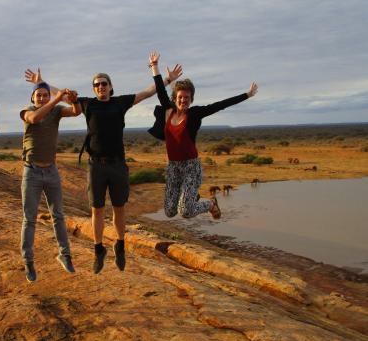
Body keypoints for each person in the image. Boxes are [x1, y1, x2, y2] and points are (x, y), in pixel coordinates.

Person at [25, 63, 181, 274]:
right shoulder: (89, 104)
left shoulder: (120, 102)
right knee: (96, 209)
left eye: (104, 83)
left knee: (119, 208)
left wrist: (167, 80)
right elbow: (63, 96)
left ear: (110, 86)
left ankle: (120, 244)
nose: (100, 87)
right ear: (94, 88)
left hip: (117, 164)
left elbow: (146, 93)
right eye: (97, 84)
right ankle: (99, 249)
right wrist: (40, 83)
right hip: (96, 165)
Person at [147, 51, 258, 219]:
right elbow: (161, 91)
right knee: (170, 211)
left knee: (185, 211)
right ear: (175, 98)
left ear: (191, 99)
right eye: (180, 97)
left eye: (187, 97)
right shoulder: (168, 111)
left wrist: (247, 95)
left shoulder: (195, 114)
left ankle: (210, 204)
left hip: (191, 167)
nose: (183, 100)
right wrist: (155, 67)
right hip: (173, 168)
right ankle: (192, 196)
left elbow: (220, 105)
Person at [20, 81, 81, 282]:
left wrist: (74, 100)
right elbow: (36, 118)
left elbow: (76, 112)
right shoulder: (27, 111)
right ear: (32, 98)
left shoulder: (55, 111)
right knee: (30, 219)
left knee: (58, 215)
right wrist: (56, 98)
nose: (42, 98)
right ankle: (28, 261)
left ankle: (65, 255)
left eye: (45, 95)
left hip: (51, 170)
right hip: (32, 172)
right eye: (38, 95)